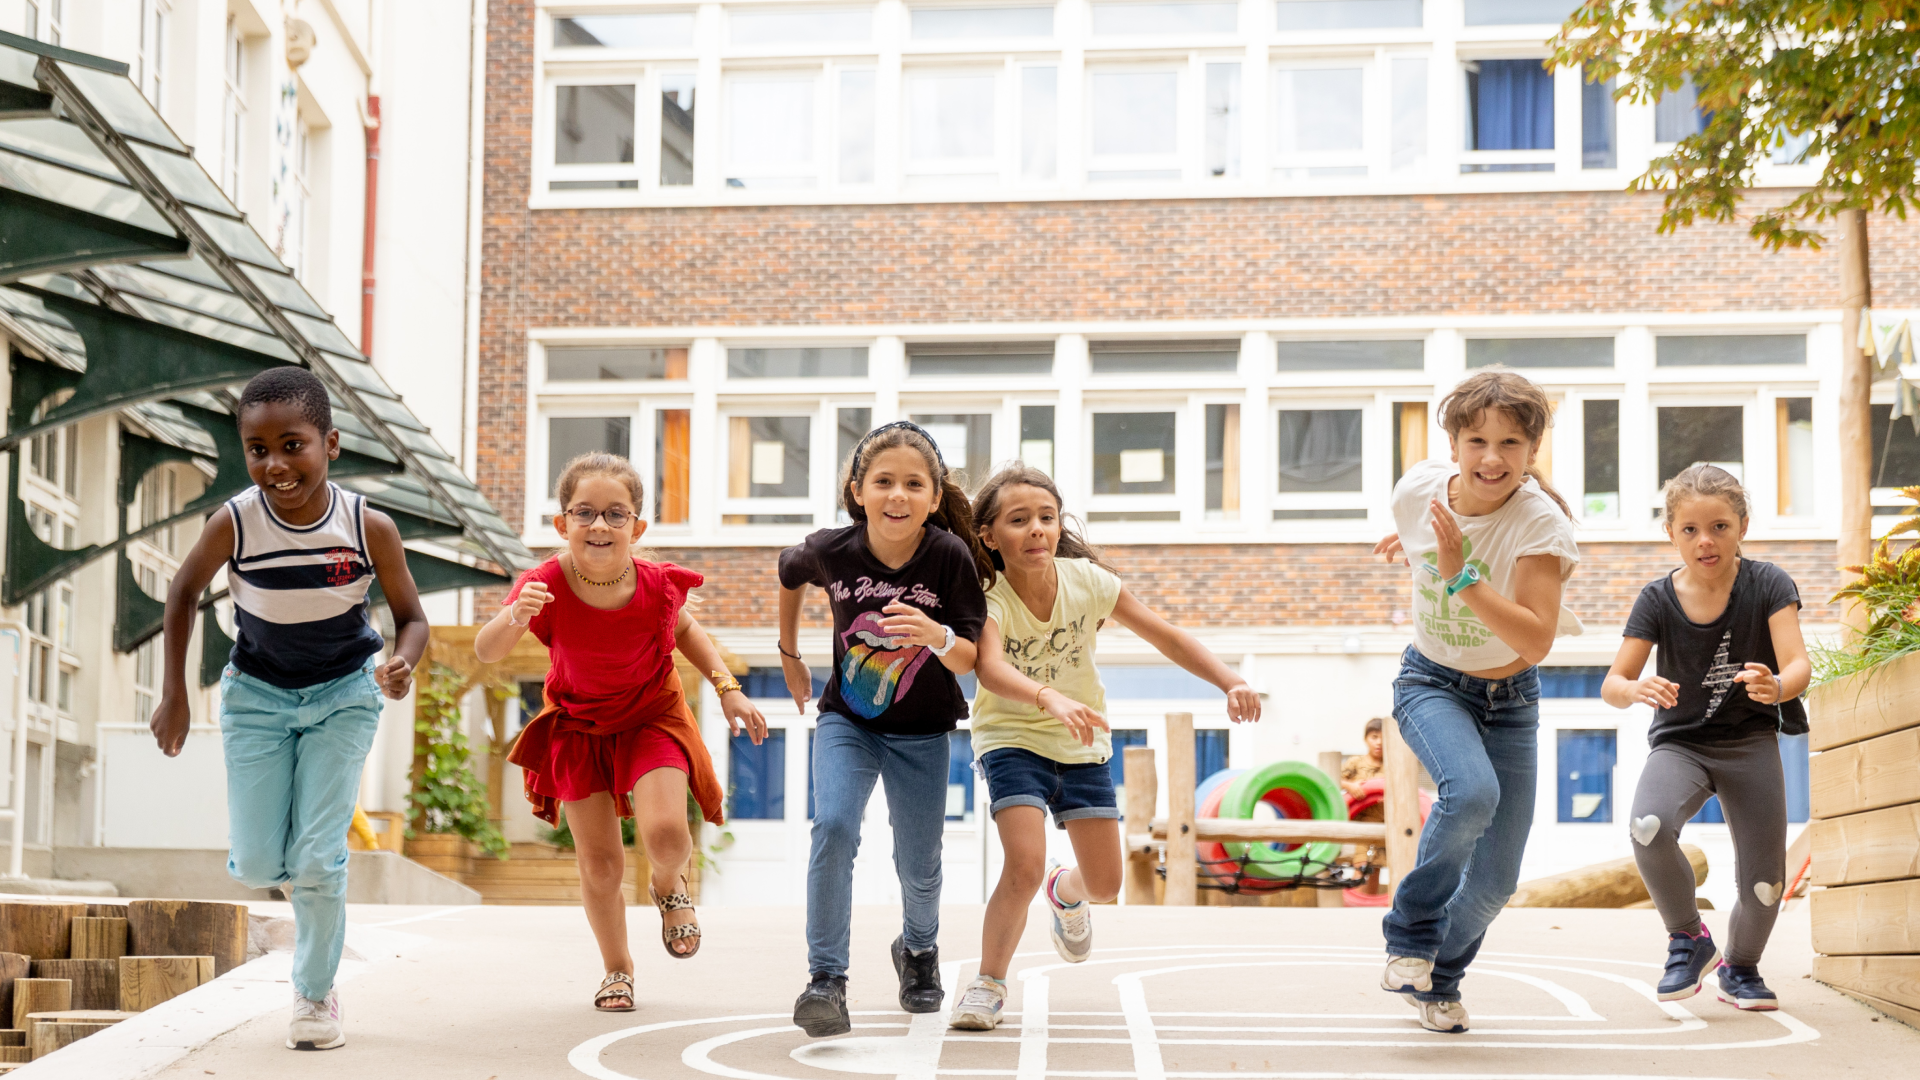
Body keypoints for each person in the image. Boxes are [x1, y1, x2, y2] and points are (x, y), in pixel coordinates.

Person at [148, 366, 429, 1051]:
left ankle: (314, 994)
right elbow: (182, 593)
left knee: (318, 857)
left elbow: (412, 619)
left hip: (344, 696)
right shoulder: (235, 521)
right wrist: (174, 693)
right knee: (255, 864)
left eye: (292, 445)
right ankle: (305, 885)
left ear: (330, 444)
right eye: (258, 449)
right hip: (257, 698)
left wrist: (402, 663)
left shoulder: (368, 526)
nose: (274, 464)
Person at [948, 465, 1261, 1031]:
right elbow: (989, 669)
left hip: (1082, 741)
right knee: (1023, 863)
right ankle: (988, 984)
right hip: (1012, 739)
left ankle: (1064, 893)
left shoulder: (1088, 582)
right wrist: (1048, 697)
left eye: (1047, 517)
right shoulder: (988, 596)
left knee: (1105, 885)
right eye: (1019, 520)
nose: (1037, 528)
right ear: (989, 536)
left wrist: (1229, 679)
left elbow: (1165, 635)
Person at [474, 452, 766, 1012]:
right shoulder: (543, 583)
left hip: (651, 716)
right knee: (601, 864)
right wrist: (514, 615)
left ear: (637, 527)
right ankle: (617, 968)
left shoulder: (655, 584)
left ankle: (668, 884)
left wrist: (727, 686)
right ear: (562, 524)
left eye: (615, 513)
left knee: (667, 835)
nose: (600, 525)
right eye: (584, 512)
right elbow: (488, 651)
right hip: (579, 725)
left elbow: (688, 632)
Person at [1372, 369, 1581, 1034]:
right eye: (1477, 442)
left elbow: (1536, 639)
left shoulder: (1540, 524)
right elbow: (1420, 530)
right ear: (1453, 444)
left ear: (1533, 450)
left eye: (1511, 443)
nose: (1493, 458)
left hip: (1511, 699)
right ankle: (1410, 937)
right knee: (1471, 793)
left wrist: (1459, 574)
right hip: (1431, 682)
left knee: (1495, 882)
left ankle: (1439, 981)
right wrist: (1414, 547)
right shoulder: (1418, 490)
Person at [777, 421, 991, 1038]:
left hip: (923, 730)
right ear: (858, 491)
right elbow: (789, 573)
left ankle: (919, 951)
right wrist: (789, 654)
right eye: (884, 482)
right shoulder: (833, 549)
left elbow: (969, 658)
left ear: (934, 496)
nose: (898, 494)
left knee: (918, 862)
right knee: (834, 826)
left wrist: (936, 635)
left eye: (914, 484)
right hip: (848, 720)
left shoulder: (947, 556)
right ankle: (826, 979)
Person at [1603, 464, 1808, 1011]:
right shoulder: (1656, 599)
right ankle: (1688, 938)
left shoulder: (1769, 584)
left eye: (1719, 526)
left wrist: (1776, 685)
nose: (1705, 541)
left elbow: (1798, 665)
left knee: (1765, 885)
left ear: (1742, 526)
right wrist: (1635, 689)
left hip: (1750, 744)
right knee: (1648, 827)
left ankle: (1740, 968)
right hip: (1682, 746)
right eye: (1690, 529)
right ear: (1671, 533)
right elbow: (1612, 684)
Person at [1341, 717, 1388, 822]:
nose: (1379, 742)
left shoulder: (1391, 766)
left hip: (1382, 823)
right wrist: (1350, 786)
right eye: (1374, 737)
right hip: (1356, 821)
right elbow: (1333, 782)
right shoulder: (1355, 762)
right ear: (1366, 739)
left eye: (1383, 737)